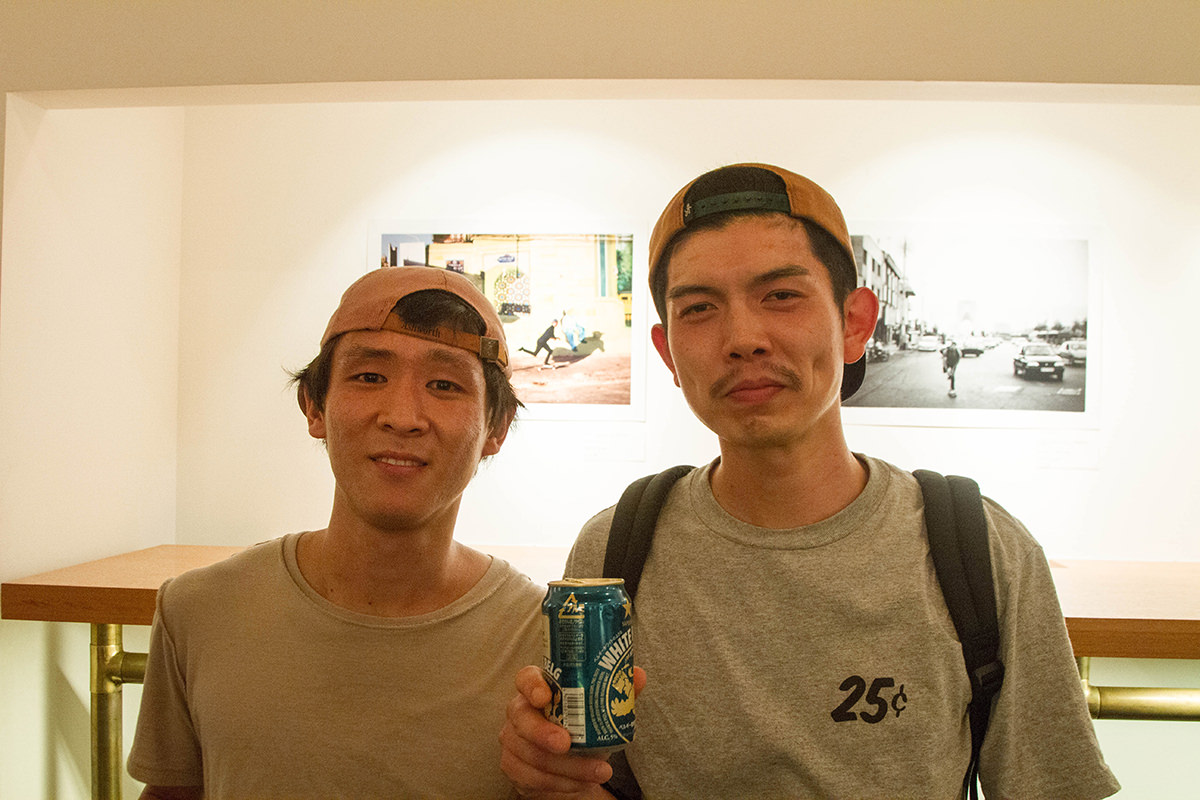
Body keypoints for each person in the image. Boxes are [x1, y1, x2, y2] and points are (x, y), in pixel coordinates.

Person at [500, 163, 1119, 799]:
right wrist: (556, 779)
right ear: (667, 353)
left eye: (781, 296)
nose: (743, 339)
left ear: (854, 323)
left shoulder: (983, 550)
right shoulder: (613, 552)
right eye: (700, 309)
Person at [129, 266, 545, 799]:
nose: (403, 417)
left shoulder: (543, 641)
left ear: (496, 428)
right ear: (314, 406)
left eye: (444, 385)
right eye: (369, 377)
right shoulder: (199, 610)